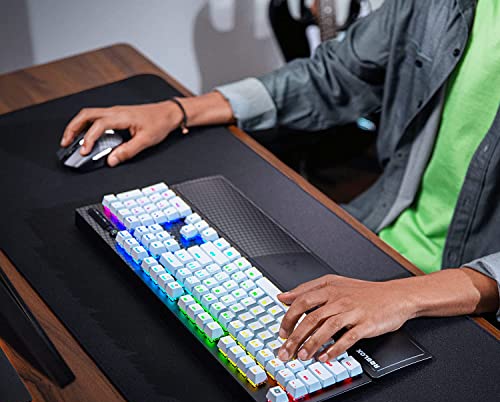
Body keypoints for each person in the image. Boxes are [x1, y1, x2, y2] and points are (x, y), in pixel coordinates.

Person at [60, 0, 500, 364]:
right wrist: (179, 111)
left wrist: (404, 297)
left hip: (468, 301)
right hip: (376, 232)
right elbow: (334, 75)